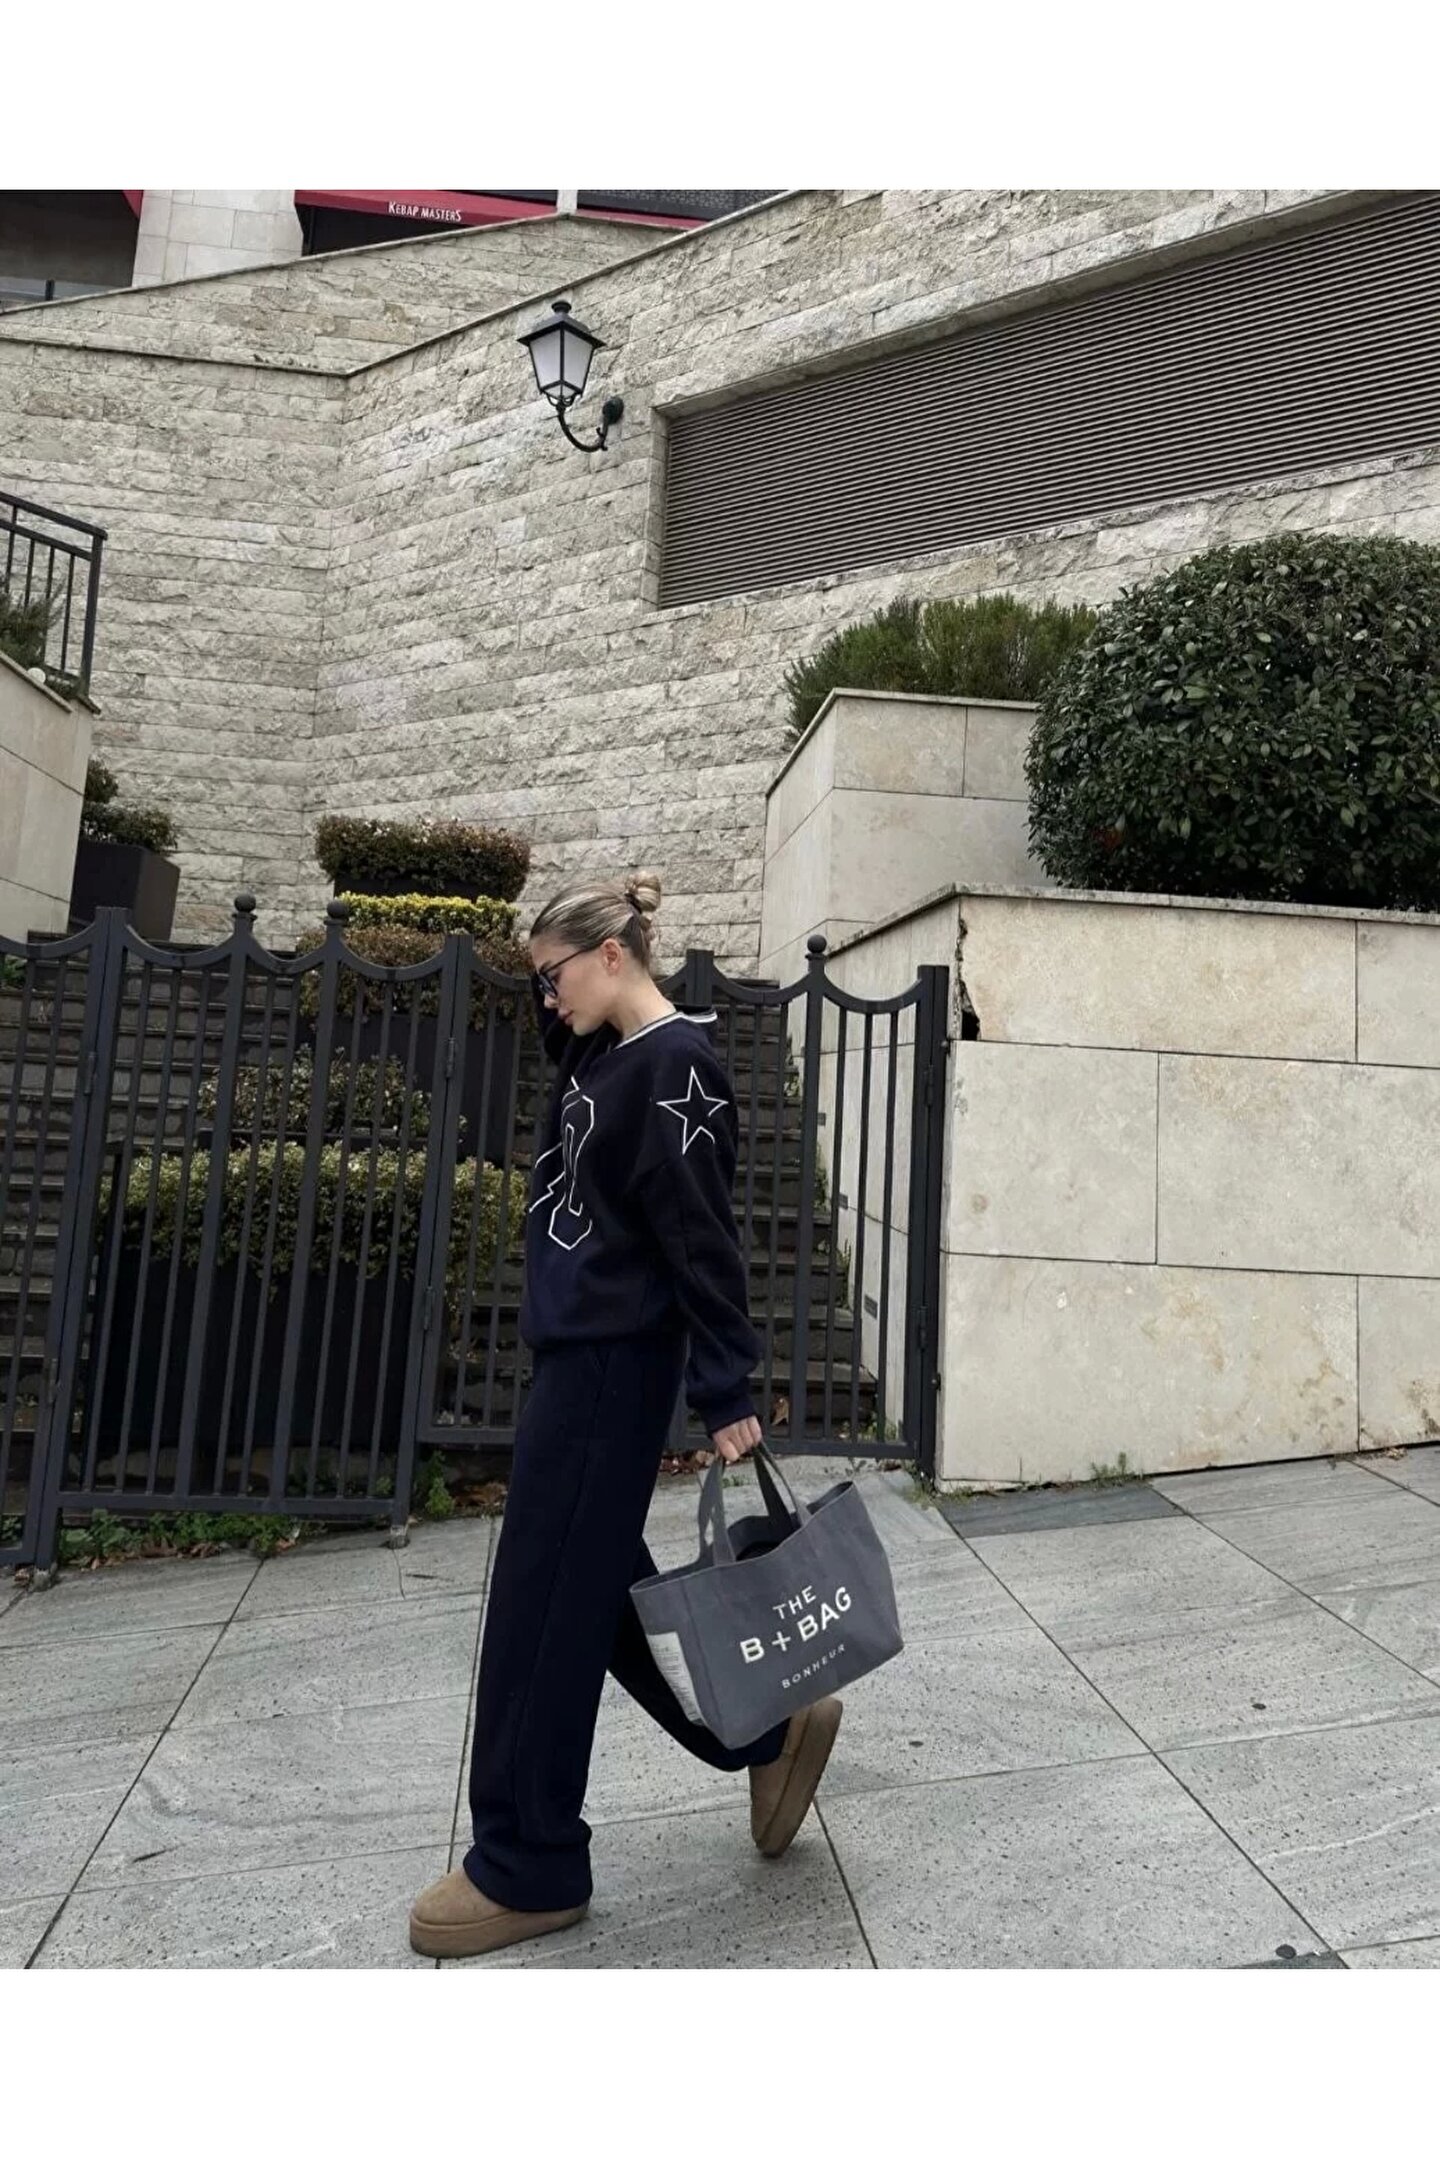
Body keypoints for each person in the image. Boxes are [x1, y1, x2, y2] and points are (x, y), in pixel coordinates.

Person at [408, 869, 842, 1959]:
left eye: (553, 976)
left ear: (613, 956)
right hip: (577, 1362)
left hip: (613, 1369)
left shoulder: (675, 1064)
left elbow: (702, 1233)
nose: (545, 998)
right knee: (593, 1601)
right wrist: (577, 946)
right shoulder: (600, 1055)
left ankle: (530, 1863)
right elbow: (565, 1025)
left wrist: (727, 1386)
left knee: (538, 1610)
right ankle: (768, 1728)